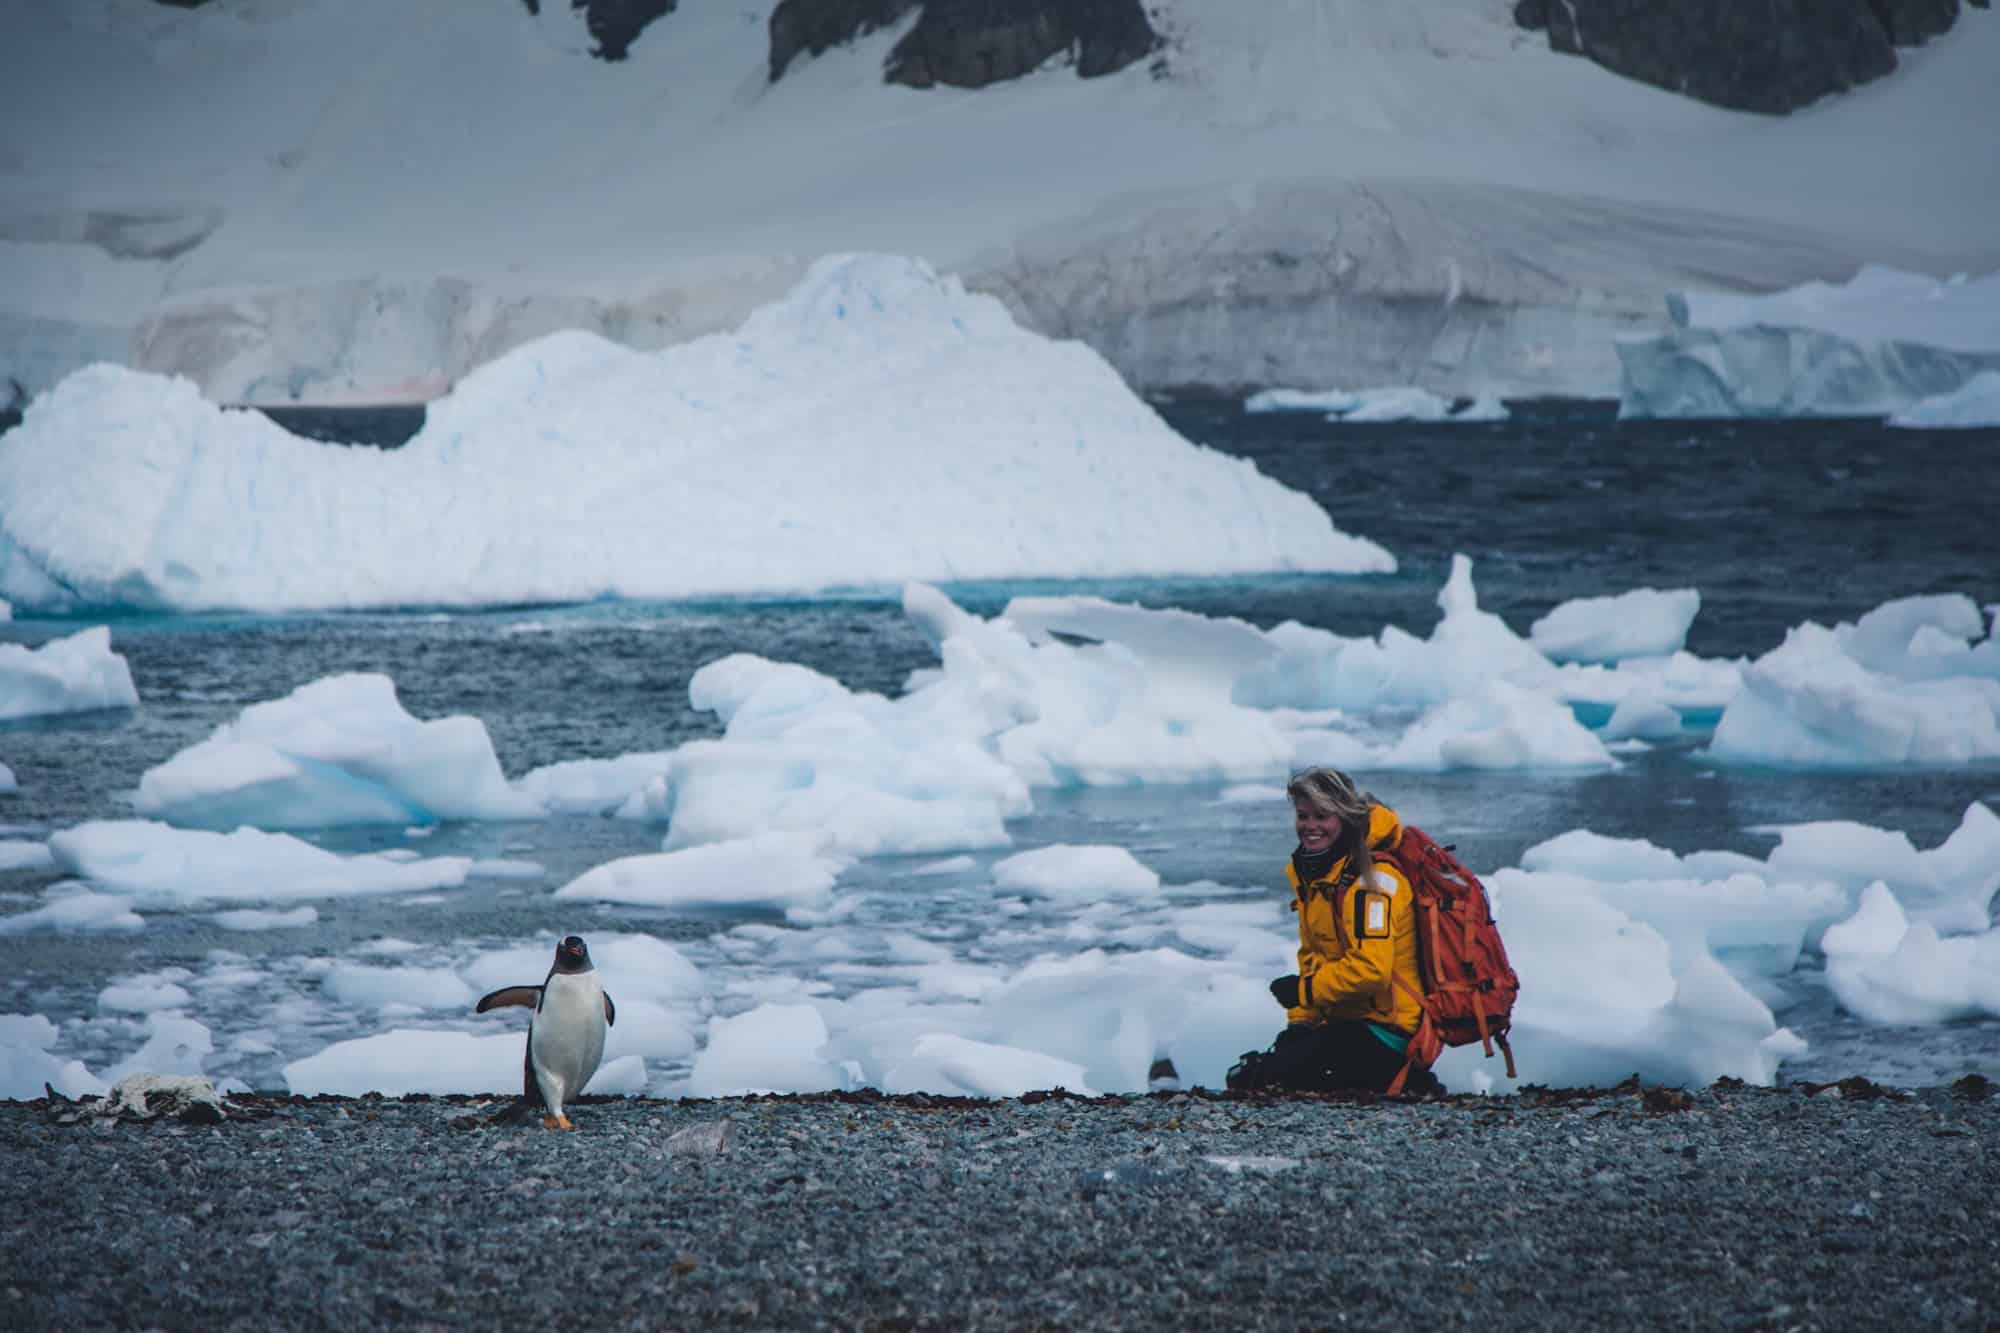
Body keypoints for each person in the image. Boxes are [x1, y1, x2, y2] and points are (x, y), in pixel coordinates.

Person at [1226, 766, 1443, 1096]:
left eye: (1322, 816)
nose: (1310, 826)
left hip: (1388, 1030)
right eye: (1303, 815)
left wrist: (1304, 991)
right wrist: (1301, 1021)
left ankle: (1407, 1077)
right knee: (1251, 1077)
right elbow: (1314, 957)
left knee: (1263, 1082)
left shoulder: (1373, 882)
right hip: (1346, 1022)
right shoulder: (1320, 877)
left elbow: (1372, 971)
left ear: (1344, 818)